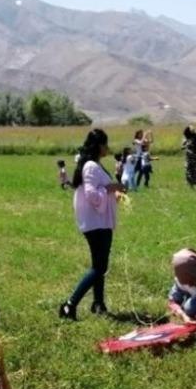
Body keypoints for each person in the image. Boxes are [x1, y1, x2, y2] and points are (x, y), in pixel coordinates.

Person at [59, 128, 125, 320]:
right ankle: (69, 305)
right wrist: (111, 188)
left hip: (99, 222)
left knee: (100, 265)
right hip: (96, 223)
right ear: (99, 146)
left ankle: (98, 304)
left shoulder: (93, 165)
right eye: (105, 144)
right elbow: (92, 195)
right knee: (99, 268)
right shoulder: (90, 166)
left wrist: (114, 193)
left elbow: (98, 191)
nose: (108, 147)